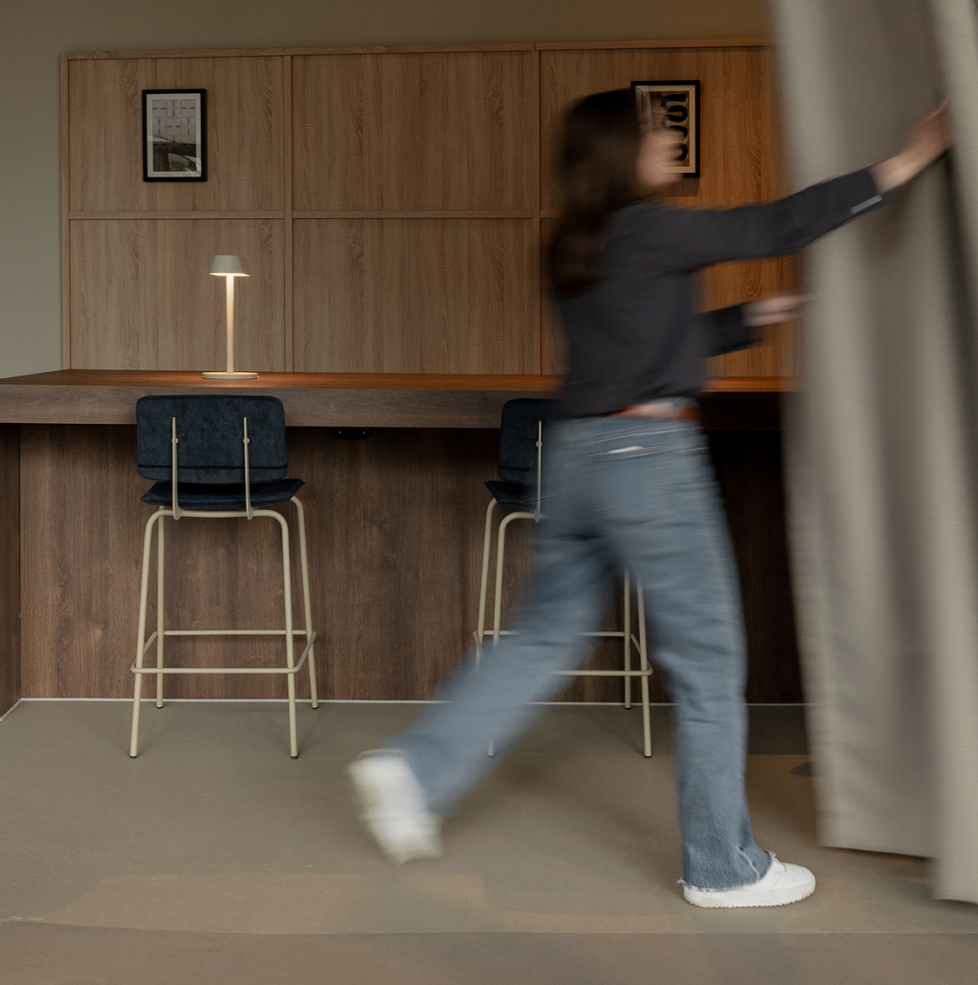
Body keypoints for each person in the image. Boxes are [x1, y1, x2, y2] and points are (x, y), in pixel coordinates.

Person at [349, 90, 950, 909]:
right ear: (617, 151)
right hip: (648, 458)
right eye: (652, 129)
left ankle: (414, 769)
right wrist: (910, 158)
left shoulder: (577, 245)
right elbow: (774, 226)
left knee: (540, 637)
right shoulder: (650, 228)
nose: (669, 136)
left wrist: (750, 317)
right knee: (708, 663)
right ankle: (723, 866)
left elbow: (646, 340)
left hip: (575, 456)